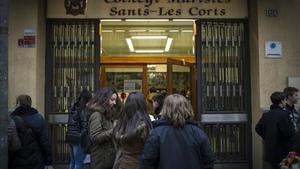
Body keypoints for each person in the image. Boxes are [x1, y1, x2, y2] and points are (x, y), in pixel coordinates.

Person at [140, 94, 215, 169]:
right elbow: (208, 160)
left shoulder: (156, 133)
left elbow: (147, 162)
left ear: (165, 109)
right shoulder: (198, 132)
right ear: (187, 108)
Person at [10, 94, 53, 169]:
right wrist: (48, 161)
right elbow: (44, 142)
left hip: (16, 160)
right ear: (30, 103)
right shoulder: (38, 118)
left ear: (18, 104)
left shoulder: (11, 119)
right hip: (35, 159)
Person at [256, 92, 295, 169]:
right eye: (285, 100)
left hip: (270, 150)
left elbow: (257, 128)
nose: (286, 102)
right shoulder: (284, 114)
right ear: (282, 101)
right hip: (283, 151)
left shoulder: (266, 114)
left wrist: (267, 137)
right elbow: (289, 132)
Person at [113, 92, 152, 169]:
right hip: (138, 164)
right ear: (142, 105)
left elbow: (116, 145)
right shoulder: (144, 125)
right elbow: (149, 148)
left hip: (122, 163)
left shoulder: (120, 123)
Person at [86, 87, 118, 169]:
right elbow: (95, 137)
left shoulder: (106, 113)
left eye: (115, 100)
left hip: (106, 159)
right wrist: (114, 130)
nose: (114, 103)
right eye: (112, 99)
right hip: (100, 160)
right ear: (104, 99)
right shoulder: (97, 115)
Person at [66, 90, 92, 169]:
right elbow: (84, 126)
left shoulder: (74, 107)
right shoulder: (83, 109)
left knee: (72, 162)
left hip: (70, 136)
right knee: (78, 164)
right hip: (78, 138)